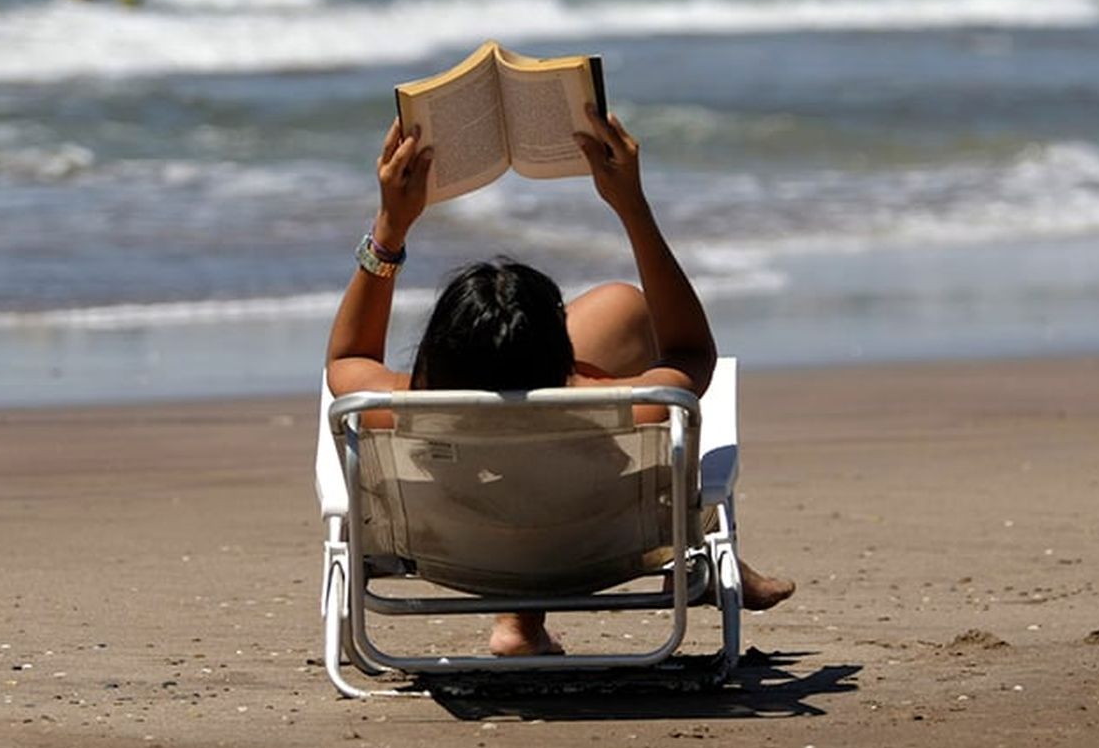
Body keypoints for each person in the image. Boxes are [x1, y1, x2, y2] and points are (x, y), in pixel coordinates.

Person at [326, 105, 795, 657]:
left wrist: (391, 224)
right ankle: (698, 562)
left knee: (603, 327)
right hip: (598, 552)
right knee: (622, 309)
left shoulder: (392, 409)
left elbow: (350, 352)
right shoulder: (634, 406)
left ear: (437, 346)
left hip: (459, 557)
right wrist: (632, 206)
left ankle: (518, 623)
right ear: (563, 353)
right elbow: (691, 349)